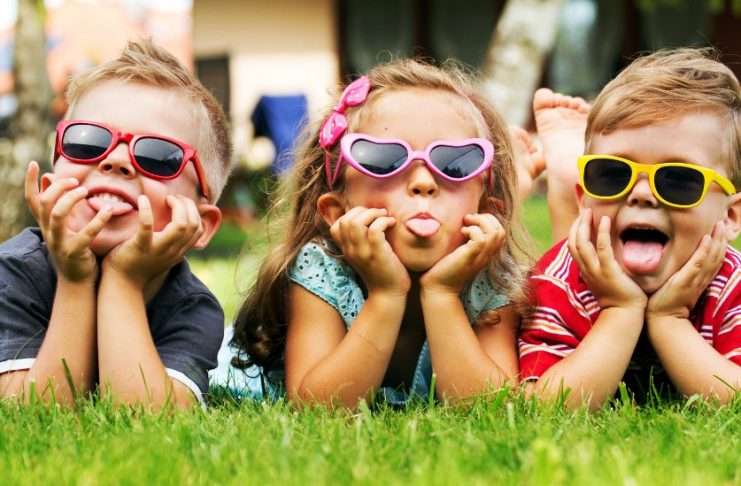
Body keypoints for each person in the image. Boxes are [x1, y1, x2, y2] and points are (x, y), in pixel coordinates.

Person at [213, 59, 530, 408]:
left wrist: (442, 294)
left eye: (456, 163)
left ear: (487, 211)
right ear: (337, 211)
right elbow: (318, 408)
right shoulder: (323, 268)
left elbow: (492, 406)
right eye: (383, 160)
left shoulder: (492, 278)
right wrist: (385, 294)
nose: (423, 182)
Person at [0, 39, 233, 408]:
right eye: (88, 142)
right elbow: (34, 412)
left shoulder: (192, 308)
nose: (117, 160)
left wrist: (124, 282)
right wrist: (74, 281)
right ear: (49, 186)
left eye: (157, 155)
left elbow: (146, 418)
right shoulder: (13, 273)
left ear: (200, 224)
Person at [519, 48, 741, 408]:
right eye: (612, 174)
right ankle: (564, 176)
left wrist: (670, 319)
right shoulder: (559, 281)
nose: (641, 194)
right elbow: (543, 406)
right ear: (584, 199)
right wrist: (619, 311)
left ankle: (566, 171)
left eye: (678, 179)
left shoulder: (733, 285)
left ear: (730, 217)